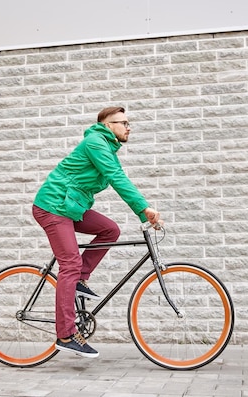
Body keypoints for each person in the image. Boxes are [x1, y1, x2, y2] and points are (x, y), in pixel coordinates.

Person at [32, 106, 162, 358]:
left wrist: (141, 210)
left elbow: (114, 175)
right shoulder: (95, 142)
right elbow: (116, 177)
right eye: (123, 122)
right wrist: (143, 208)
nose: (128, 127)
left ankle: (80, 278)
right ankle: (66, 335)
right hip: (52, 206)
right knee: (68, 264)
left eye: (128, 122)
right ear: (107, 125)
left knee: (109, 230)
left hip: (70, 207)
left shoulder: (107, 148)